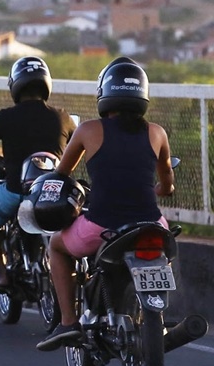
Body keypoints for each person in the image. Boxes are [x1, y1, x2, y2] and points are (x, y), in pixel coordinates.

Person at [36, 58, 174, 351]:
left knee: (57, 247)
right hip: (150, 223)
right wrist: (161, 188)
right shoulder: (157, 133)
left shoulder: (87, 130)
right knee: (164, 245)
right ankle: (157, 313)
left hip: (102, 225)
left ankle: (69, 322)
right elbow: (168, 183)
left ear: (105, 93)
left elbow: (62, 173)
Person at [0, 56, 75, 292]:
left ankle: (1, 272)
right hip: (53, 193)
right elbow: (78, 145)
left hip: (17, 192)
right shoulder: (62, 116)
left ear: (15, 85)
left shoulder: (6, 117)